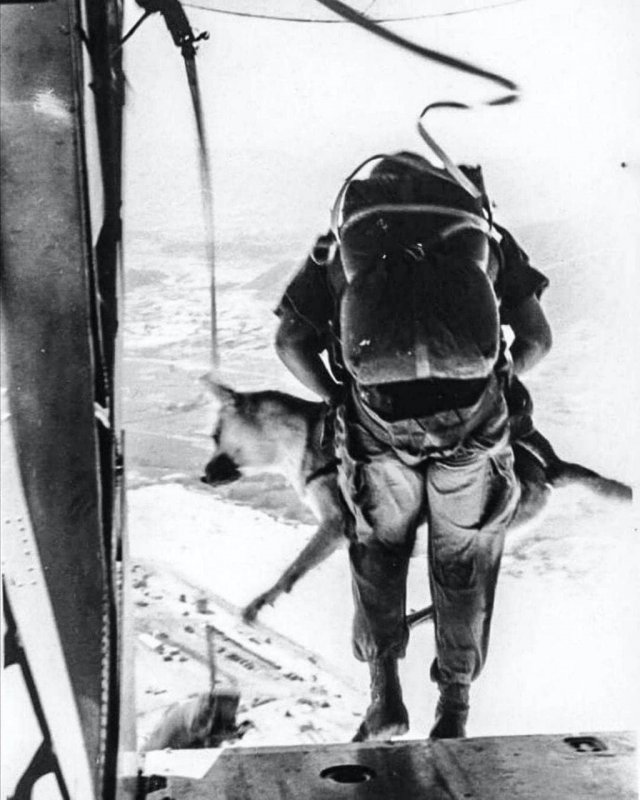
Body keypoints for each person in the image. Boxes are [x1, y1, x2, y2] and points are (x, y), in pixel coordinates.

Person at [274, 153, 552, 741]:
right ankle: (453, 707)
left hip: (379, 421)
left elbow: (290, 343)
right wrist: (498, 378)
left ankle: (386, 698)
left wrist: (338, 397)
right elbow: (537, 339)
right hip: (471, 424)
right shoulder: (484, 237)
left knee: (378, 546)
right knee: (464, 554)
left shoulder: (340, 246)